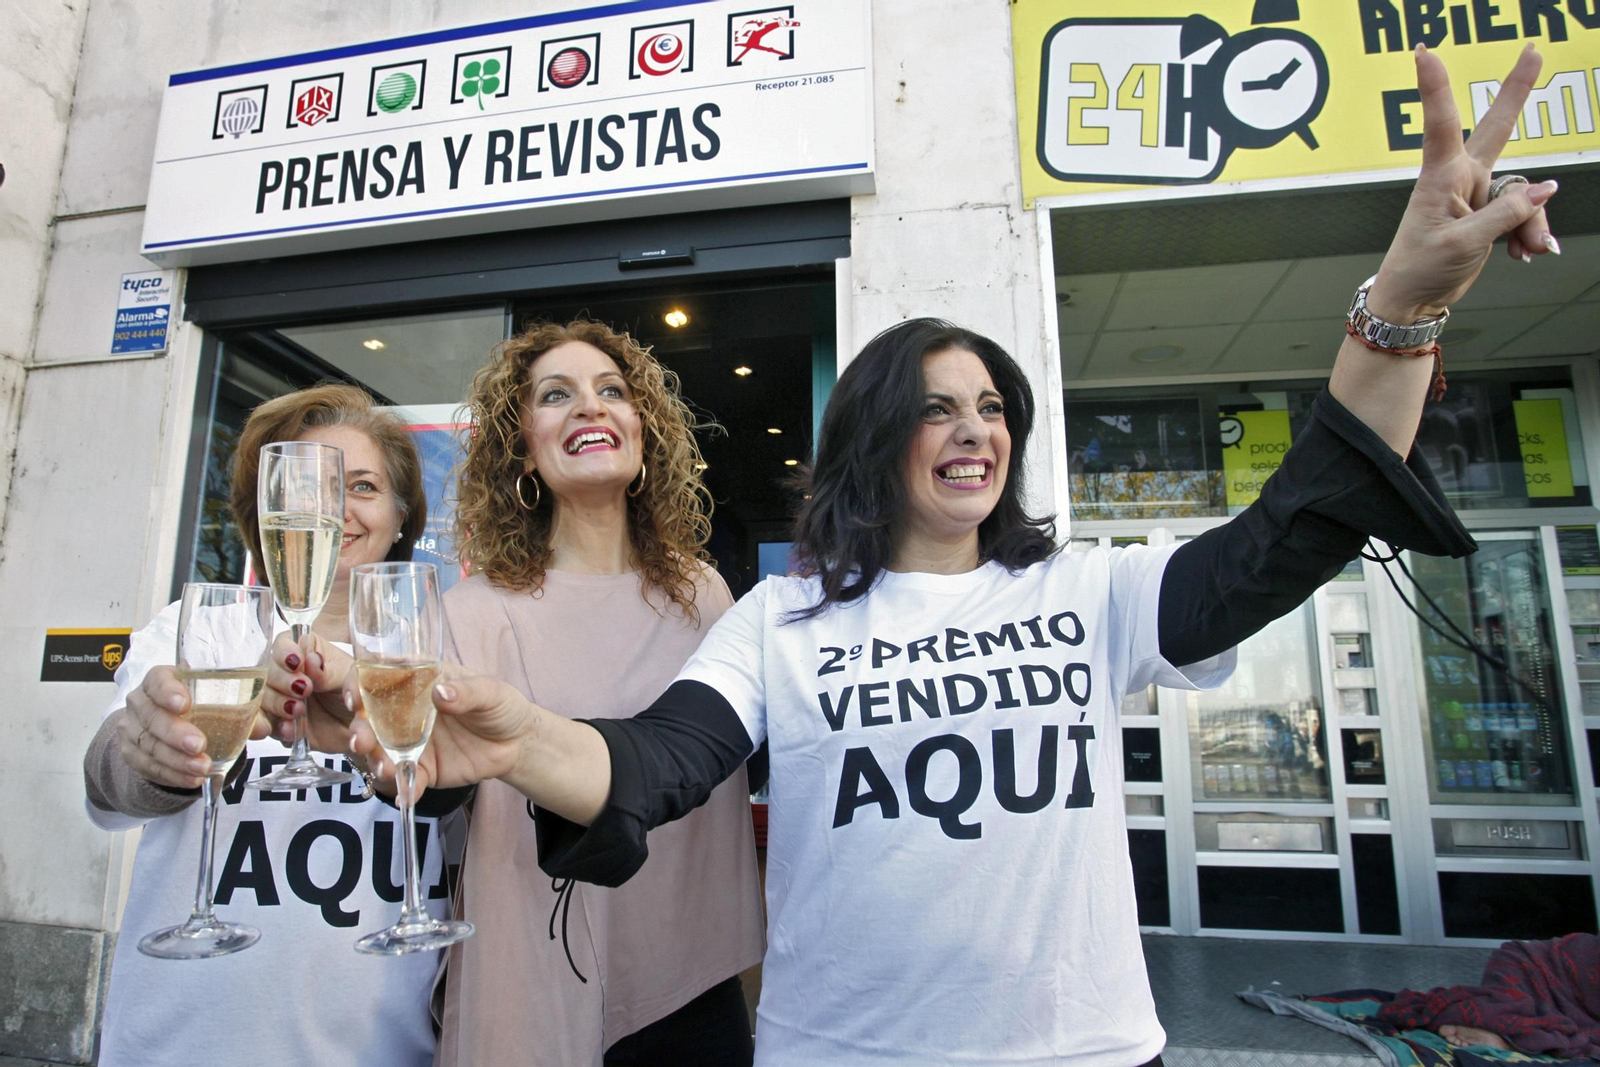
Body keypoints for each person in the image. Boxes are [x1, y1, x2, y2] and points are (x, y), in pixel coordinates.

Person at [349, 47, 1560, 1067]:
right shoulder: (781, 619)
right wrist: (520, 740)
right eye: (937, 407)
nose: (975, 427)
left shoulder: (1088, 593)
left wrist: (1399, 308)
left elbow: (1294, 526)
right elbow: (659, 759)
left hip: (1082, 1046)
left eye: (991, 404)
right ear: (877, 440)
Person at [271, 321, 765, 1066]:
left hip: (692, 984)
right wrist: (383, 743)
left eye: (612, 392)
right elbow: (429, 784)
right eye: (556, 395)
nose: (590, 408)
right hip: (533, 985)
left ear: (644, 431)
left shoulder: (705, 595)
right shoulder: (471, 609)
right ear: (522, 445)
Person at [83, 384, 449, 1066]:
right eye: (306, 487)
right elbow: (110, 775)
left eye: (362, 485)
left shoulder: (435, 654)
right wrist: (155, 755)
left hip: (382, 1051)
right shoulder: (201, 629)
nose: (334, 507)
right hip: (179, 1047)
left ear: (403, 516)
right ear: (267, 517)